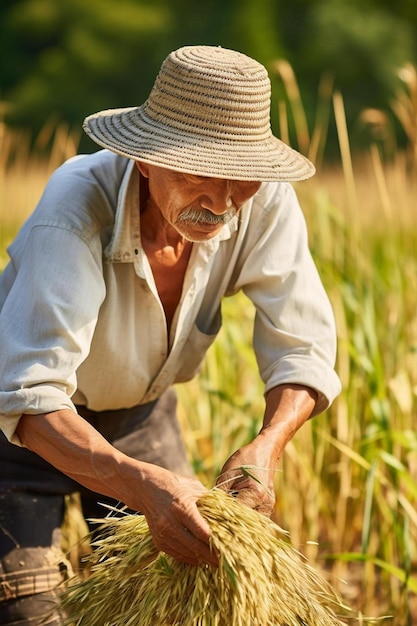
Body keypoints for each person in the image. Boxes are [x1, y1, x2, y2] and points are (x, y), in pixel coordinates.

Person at [0, 45, 341, 625]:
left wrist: (267, 448)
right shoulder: (76, 210)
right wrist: (144, 487)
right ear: (145, 160)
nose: (223, 202)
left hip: (140, 418)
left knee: (183, 603)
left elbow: (302, 346)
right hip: (25, 435)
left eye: (242, 180)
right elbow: (29, 397)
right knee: (31, 614)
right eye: (200, 173)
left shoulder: (259, 202)